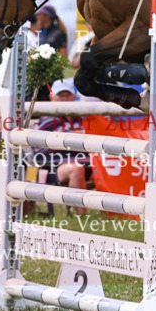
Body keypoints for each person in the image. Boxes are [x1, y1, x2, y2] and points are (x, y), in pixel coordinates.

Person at [30, 79, 93, 213]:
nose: (64, 99)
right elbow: (41, 152)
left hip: (89, 164)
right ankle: (83, 217)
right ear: (52, 97)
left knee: (110, 166)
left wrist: (76, 137)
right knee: (76, 169)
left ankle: (117, 213)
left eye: (68, 95)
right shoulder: (47, 119)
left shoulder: (82, 118)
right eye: (60, 95)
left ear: (74, 97)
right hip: (54, 168)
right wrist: (78, 138)